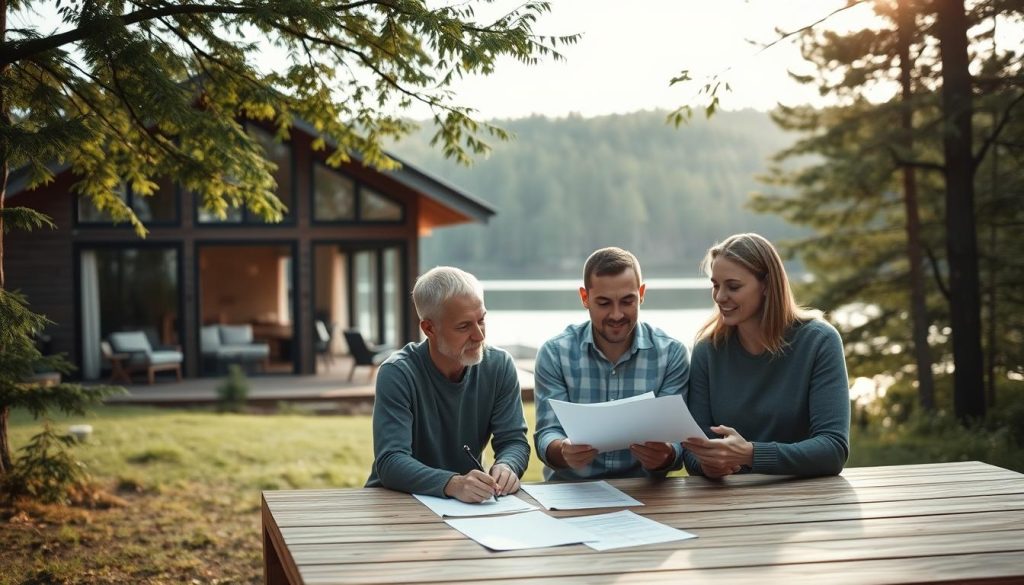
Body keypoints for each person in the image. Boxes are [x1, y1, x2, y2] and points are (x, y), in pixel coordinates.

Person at [682, 233, 850, 477]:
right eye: (716, 285)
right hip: (729, 502)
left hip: (807, 498)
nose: (720, 297)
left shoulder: (819, 342)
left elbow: (833, 450)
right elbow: (692, 452)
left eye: (733, 286)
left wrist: (750, 454)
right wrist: (709, 465)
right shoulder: (707, 350)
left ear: (767, 285)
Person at [366, 266, 530, 502]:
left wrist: (507, 466)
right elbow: (391, 461)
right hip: (393, 501)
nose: (479, 336)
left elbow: (514, 441)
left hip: (466, 504)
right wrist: (453, 483)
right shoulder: (398, 373)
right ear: (429, 328)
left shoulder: (499, 365)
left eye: (481, 320)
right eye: (464, 326)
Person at [534, 247, 690, 481]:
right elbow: (547, 434)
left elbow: (677, 443)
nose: (617, 315)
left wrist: (667, 455)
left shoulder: (671, 354)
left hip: (646, 494)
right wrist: (563, 451)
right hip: (572, 491)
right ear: (585, 298)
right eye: (604, 303)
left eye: (627, 301)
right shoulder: (555, 353)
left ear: (642, 293)